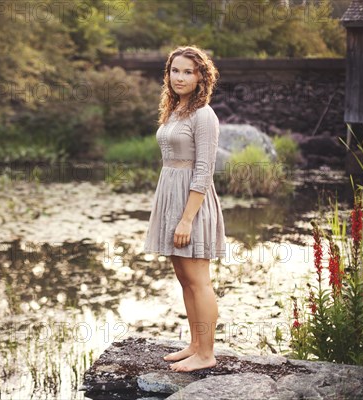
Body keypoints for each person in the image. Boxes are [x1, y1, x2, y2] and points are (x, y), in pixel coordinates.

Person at [143, 45, 227, 372]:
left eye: (188, 71)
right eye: (175, 70)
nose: (180, 77)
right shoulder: (176, 109)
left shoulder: (203, 114)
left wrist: (186, 220)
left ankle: (207, 354)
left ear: (200, 77)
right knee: (184, 278)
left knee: (199, 280)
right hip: (172, 198)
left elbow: (204, 171)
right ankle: (195, 344)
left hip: (192, 205)